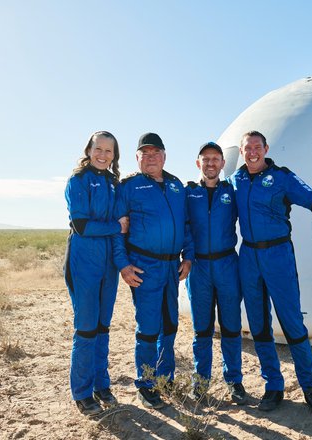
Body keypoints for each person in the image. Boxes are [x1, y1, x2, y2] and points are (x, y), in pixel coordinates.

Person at [227, 130, 312, 419]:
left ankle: (311, 389)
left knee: (291, 323)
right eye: (247, 148)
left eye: (257, 147)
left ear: (265, 148)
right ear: (241, 152)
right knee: (259, 325)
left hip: (278, 255)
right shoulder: (235, 182)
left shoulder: (282, 177)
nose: (252, 152)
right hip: (249, 256)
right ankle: (273, 386)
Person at [112, 132, 194, 409]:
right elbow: (118, 231)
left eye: (155, 152)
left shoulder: (176, 186)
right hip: (144, 266)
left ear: (164, 155)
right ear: (137, 158)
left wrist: (189, 257)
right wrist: (123, 264)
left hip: (172, 266)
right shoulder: (129, 187)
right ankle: (146, 385)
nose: (150, 158)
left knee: (169, 325)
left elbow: (186, 225)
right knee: (148, 328)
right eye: (144, 153)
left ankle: (165, 377)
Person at [63, 131, 129, 417]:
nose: (103, 155)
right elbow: (82, 226)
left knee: (103, 326)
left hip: (108, 265)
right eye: (98, 149)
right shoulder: (77, 181)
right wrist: (116, 226)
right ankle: (82, 392)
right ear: (89, 150)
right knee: (87, 327)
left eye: (109, 151)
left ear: (115, 155)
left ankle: (102, 385)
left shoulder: (114, 184)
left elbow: (119, 225)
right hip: (83, 260)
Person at [185, 142, 246, 404]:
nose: (211, 163)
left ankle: (234, 382)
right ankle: (201, 383)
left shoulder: (232, 191)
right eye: (205, 159)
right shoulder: (188, 193)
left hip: (226, 265)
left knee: (231, 328)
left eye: (216, 159)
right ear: (198, 163)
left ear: (223, 164)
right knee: (202, 330)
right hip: (199, 267)